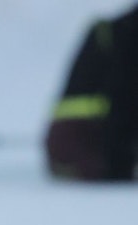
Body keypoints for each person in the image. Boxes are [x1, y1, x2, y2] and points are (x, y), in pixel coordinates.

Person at [45, 4, 138, 180]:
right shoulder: (128, 38)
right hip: (90, 149)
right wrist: (120, 163)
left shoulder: (114, 30)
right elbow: (122, 102)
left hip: (69, 146)